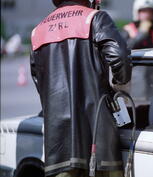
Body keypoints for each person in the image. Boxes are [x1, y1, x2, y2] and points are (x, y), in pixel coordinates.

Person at [30, 0, 131, 177]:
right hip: (98, 136)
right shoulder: (94, 18)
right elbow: (119, 56)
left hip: (58, 145)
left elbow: (40, 82)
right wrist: (119, 83)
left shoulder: (38, 30)